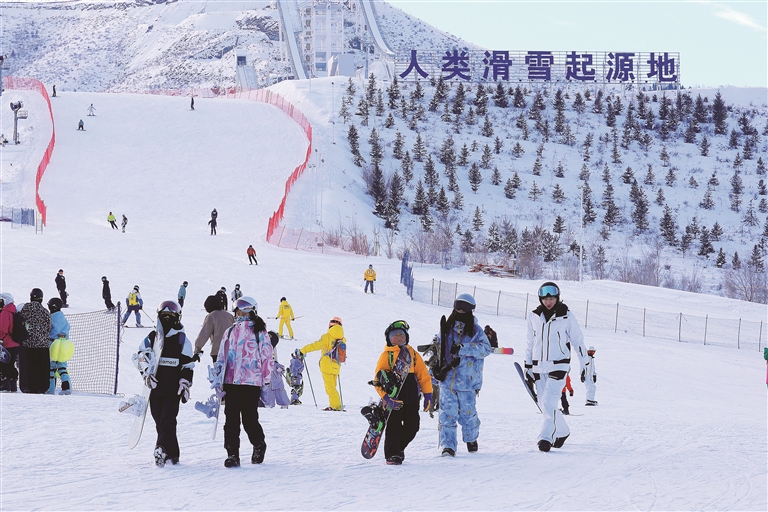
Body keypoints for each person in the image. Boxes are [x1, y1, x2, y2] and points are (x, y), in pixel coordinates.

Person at [525, 282, 589, 452]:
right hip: (538, 366)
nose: (548, 302)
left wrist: (585, 364)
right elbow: (530, 343)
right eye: (545, 299)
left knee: (548, 401)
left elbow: (578, 341)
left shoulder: (566, 316)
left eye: (552, 299)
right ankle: (562, 431)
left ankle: (545, 437)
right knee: (544, 403)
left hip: (559, 364)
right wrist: (528, 366)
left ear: (557, 298)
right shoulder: (533, 316)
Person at [216, 296, 273, 467]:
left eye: (244, 312)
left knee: (249, 419)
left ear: (252, 312)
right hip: (231, 382)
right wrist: (218, 377)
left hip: (251, 382)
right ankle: (232, 454)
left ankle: (258, 443)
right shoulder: (230, 332)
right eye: (238, 312)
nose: (240, 315)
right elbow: (222, 355)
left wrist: (266, 382)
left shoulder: (260, 332)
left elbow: (267, 358)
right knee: (231, 420)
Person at [135, 301, 194, 466]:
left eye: (171, 315)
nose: (167, 318)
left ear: (177, 317)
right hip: (155, 388)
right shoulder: (152, 337)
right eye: (164, 315)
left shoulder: (181, 339)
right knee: (159, 420)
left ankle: (160, 448)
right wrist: (146, 374)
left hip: (173, 388)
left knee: (168, 418)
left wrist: (185, 382)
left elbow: (188, 364)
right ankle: (172, 453)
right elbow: (141, 356)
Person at [436, 293, 491, 457]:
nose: (460, 310)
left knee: (468, 414)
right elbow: (437, 350)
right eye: (458, 305)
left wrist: (463, 348)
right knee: (447, 414)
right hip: (448, 381)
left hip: (468, 382)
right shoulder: (446, 328)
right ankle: (448, 446)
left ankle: (471, 438)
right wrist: (435, 371)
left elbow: (486, 349)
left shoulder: (476, 331)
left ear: (471, 309)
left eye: (464, 307)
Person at [372, 320, 433, 465]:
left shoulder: (413, 354)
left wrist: (428, 394)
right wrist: (385, 397)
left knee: (413, 427)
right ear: (389, 339)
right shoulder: (387, 355)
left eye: (401, 335)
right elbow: (378, 379)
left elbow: (423, 376)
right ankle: (392, 454)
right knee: (394, 427)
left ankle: (398, 448)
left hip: (411, 397)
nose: (399, 338)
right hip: (394, 398)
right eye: (395, 335)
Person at [299, 317, 346, 411]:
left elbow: (315, 346)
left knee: (330, 388)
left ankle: (336, 406)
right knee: (332, 387)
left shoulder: (327, 337)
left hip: (327, 366)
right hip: (337, 366)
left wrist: (302, 350)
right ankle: (334, 405)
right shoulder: (343, 339)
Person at [19, 288, 52, 394]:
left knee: (30, 367)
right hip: (43, 345)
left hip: (28, 344)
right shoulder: (45, 311)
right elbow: (49, 327)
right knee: (42, 368)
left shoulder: (25, 309)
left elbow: (20, 322)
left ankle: (29, 387)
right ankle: (42, 387)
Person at [194, 296, 234, 363]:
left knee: (219, 369)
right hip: (232, 350)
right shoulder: (229, 316)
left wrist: (197, 349)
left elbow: (204, 334)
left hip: (218, 351)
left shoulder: (211, 316)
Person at [46, 298, 72, 395]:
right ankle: (67, 387)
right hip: (64, 345)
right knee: (62, 367)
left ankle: (50, 388)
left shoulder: (51, 318)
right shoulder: (64, 319)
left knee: (51, 367)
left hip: (53, 344)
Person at [0, 293, 20, 392]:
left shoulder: (5, 312)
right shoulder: (14, 311)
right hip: (15, 342)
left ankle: (6, 384)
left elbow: (3, 328)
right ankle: (13, 384)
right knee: (11, 364)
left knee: (4, 363)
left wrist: (1, 337)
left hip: (6, 342)